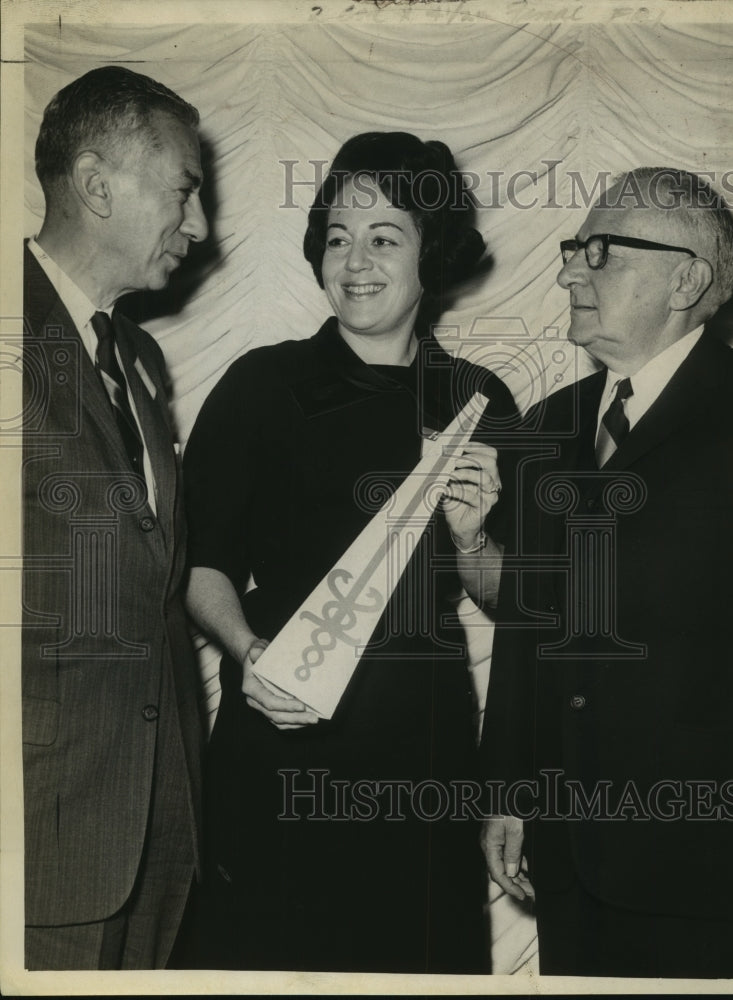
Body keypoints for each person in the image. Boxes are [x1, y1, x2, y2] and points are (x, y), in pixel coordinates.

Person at [182, 131, 519, 973]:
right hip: (281, 736)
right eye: (338, 238)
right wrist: (247, 651)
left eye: (383, 238)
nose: (355, 262)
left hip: (422, 748)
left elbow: (506, 598)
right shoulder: (262, 384)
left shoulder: (479, 401)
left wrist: (473, 536)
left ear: (430, 255)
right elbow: (201, 563)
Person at [480, 167, 733, 978]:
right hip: (566, 853)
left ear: (686, 282)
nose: (569, 274)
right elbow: (526, 626)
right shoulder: (547, 427)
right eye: (573, 252)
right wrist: (507, 789)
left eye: (600, 253)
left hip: (711, 860)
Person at [22, 65, 208, 970]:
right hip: (42, 818)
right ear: (97, 185)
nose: (199, 225)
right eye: (183, 191)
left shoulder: (136, 356)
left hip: (159, 820)